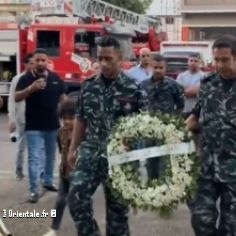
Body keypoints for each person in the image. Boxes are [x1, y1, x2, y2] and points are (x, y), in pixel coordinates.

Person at [67, 36, 148, 236]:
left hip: (121, 157)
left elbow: (145, 125)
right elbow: (81, 118)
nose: (103, 63)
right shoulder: (89, 86)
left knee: (118, 213)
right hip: (91, 152)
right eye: (100, 58)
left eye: (109, 58)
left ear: (120, 58)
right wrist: (72, 149)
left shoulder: (134, 88)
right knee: (76, 197)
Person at [186, 35, 236, 236]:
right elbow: (195, 117)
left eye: (225, 60)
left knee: (231, 227)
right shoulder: (207, 85)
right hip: (207, 164)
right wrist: (173, 131)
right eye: (216, 60)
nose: (220, 64)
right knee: (201, 220)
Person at [15, 48, 65, 203]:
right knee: (34, 158)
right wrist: (32, 88)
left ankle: (48, 182)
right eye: (37, 60)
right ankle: (34, 190)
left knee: (50, 157)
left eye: (43, 60)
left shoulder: (56, 78)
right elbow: (17, 97)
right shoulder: (26, 78)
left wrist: (67, 114)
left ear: (48, 61)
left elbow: (63, 98)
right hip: (33, 126)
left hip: (52, 125)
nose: (41, 63)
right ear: (33, 62)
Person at [141, 54, 184, 180]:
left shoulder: (173, 85)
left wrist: (173, 121)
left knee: (165, 163)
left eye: (161, 67)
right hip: (149, 130)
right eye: (155, 67)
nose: (158, 70)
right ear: (150, 67)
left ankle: (164, 191)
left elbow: (180, 105)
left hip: (166, 130)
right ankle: (152, 188)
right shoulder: (143, 85)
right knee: (150, 162)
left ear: (165, 69)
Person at [43, 99, 76, 236]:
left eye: (71, 118)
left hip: (79, 175)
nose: (67, 121)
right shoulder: (60, 133)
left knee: (79, 205)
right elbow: (61, 150)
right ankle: (53, 229)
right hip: (65, 173)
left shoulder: (83, 133)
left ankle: (91, 229)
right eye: (64, 119)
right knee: (60, 201)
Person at [8, 53, 34, 179]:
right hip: (22, 117)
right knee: (22, 145)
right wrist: (11, 119)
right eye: (31, 63)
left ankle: (36, 171)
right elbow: (12, 100)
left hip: (35, 118)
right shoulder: (18, 79)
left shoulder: (36, 78)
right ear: (25, 64)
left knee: (35, 147)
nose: (33, 65)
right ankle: (19, 168)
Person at [176, 53, 205, 119]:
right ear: (188, 62)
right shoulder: (181, 76)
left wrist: (186, 90)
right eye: (191, 61)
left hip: (197, 112)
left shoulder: (203, 77)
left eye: (195, 61)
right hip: (184, 110)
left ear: (200, 63)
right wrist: (192, 89)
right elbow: (178, 92)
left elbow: (192, 92)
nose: (193, 63)